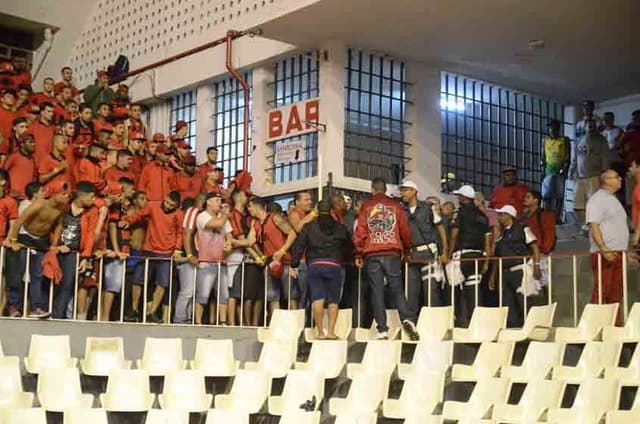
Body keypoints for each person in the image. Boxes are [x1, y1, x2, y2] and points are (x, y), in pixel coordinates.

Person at [353, 177, 419, 341]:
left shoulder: (367, 206)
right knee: (397, 289)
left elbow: (360, 232)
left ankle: (382, 329)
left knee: (377, 292)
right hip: (392, 251)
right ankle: (407, 319)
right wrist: (407, 248)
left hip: (372, 253)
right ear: (385, 189)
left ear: (372, 189)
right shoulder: (396, 206)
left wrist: (358, 253)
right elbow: (404, 229)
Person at [3, 181, 71, 318]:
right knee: (16, 274)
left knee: (38, 275)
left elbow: (59, 226)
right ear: (54, 194)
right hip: (24, 237)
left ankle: (35, 308)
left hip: (41, 241)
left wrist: (54, 244)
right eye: (63, 194)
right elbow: (19, 221)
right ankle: (13, 307)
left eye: (67, 195)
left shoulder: (62, 208)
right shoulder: (39, 204)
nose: (66, 197)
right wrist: (14, 241)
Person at [120, 190, 183, 323]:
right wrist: (128, 221)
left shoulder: (179, 214)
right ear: (164, 198)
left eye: (171, 205)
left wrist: (177, 249)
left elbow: (180, 233)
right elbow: (138, 215)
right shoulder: (153, 206)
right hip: (148, 249)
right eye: (166, 202)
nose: (167, 206)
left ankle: (152, 312)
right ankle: (134, 310)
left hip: (166, 253)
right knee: (138, 279)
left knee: (162, 283)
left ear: (176, 205)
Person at [290, 200, 350, 339]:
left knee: (317, 298)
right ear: (331, 210)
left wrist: (294, 263)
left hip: (315, 265)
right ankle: (330, 332)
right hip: (334, 265)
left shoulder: (309, 227)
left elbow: (299, 246)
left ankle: (320, 332)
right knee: (333, 300)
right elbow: (348, 246)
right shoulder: (340, 227)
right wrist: (345, 259)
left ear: (317, 210)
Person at [50, 181, 98, 319]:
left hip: (73, 253)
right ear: (82, 197)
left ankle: (58, 316)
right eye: (91, 197)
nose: (93, 200)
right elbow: (52, 226)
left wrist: (85, 257)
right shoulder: (64, 206)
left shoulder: (92, 211)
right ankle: (45, 311)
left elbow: (90, 236)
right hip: (55, 250)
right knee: (49, 281)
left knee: (67, 284)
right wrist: (54, 246)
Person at [399, 180, 448, 309]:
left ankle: (432, 321)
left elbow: (441, 228)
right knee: (411, 292)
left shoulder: (428, 208)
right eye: (402, 190)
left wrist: (444, 251)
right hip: (411, 254)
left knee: (431, 291)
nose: (402, 193)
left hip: (428, 253)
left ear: (414, 191)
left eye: (405, 190)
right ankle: (411, 322)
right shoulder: (401, 211)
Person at [490, 205, 541, 327]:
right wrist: (493, 275)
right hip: (505, 273)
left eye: (502, 215)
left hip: (520, 270)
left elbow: (534, 247)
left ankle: (530, 328)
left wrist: (536, 265)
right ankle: (513, 329)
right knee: (508, 303)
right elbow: (497, 256)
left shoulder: (523, 229)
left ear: (509, 216)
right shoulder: (501, 235)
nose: (499, 218)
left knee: (523, 301)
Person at [586, 170, 628, 315]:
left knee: (616, 293)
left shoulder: (613, 199)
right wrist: (603, 248)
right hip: (605, 253)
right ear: (607, 181)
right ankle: (596, 326)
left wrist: (626, 252)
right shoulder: (598, 199)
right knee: (603, 291)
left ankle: (613, 327)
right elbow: (594, 225)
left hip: (617, 252)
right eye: (617, 177)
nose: (620, 178)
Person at [448, 185, 491, 325]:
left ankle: (460, 321)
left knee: (455, 289)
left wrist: (448, 253)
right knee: (473, 290)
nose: (458, 198)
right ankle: (477, 323)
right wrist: (486, 260)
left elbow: (454, 235)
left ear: (463, 198)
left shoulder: (460, 213)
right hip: (478, 257)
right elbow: (487, 240)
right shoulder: (483, 216)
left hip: (462, 256)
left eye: (459, 196)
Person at [248, 196, 294, 315]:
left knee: (291, 295)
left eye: (250, 206)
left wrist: (283, 250)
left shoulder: (275, 217)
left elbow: (292, 233)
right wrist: (232, 241)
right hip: (270, 263)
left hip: (286, 261)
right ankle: (276, 323)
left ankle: (294, 322)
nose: (248, 210)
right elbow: (249, 242)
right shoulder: (255, 223)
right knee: (272, 296)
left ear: (256, 206)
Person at [194, 193, 232, 325]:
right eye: (217, 200)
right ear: (208, 202)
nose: (219, 203)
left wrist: (229, 243)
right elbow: (216, 224)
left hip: (222, 261)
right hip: (206, 261)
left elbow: (229, 235)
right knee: (203, 294)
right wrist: (226, 214)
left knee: (224, 295)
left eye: (220, 200)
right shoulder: (202, 216)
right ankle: (198, 322)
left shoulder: (223, 217)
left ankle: (222, 321)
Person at [277, 191, 316, 310]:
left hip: (309, 259)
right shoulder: (294, 213)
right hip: (299, 260)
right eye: (306, 199)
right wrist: (313, 214)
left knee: (307, 294)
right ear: (297, 202)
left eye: (310, 199)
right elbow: (298, 228)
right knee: (298, 295)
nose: (309, 202)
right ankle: (299, 320)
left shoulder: (310, 215)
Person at [569, 119, 609, 223]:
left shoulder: (601, 140)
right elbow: (575, 158)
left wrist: (604, 173)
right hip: (580, 177)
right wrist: (571, 171)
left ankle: (596, 225)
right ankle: (586, 224)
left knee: (594, 203)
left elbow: (605, 157)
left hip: (594, 176)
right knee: (577, 205)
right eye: (589, 126)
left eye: (593, 126)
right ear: (585, 127)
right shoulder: (579, 140)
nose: (591, 128)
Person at [174, 193, 207, 324]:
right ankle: (180, 319)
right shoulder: (192, 211)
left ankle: (188, 319)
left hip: (199, 258)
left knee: (194, 292)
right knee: (187, 291)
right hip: (189, 258)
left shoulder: (204, 216)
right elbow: (186, 233)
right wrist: (189, 255)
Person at [541, 119, 571, 218]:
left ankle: (557, 217)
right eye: (550, 128)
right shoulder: (545, 141)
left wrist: (565, 170)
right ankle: (546, 216)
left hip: (560, 171)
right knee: (546, 196)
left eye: (554, 128)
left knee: (559, 196)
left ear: (558, 129)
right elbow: (543, 156)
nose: (552, 130)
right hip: (548, 171)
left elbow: (567, 156)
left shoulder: (564, 140)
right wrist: (542, 171)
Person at [4, 132, 36, 200]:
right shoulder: (13, 157)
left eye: (34, 142)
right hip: (12, 197)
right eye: (30, 142)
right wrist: (8, 191)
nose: (34, 144)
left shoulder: (33, 159)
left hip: (26, 198)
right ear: (22, 144)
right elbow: (2, 174)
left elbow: (33, 178)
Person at [29, 101, 55, 167]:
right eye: (49, 111)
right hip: (36, 164)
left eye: (52, 112)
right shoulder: (33, 127)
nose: (51, 114)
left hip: (50, 164)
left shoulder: (53, 129)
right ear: (42, 112)